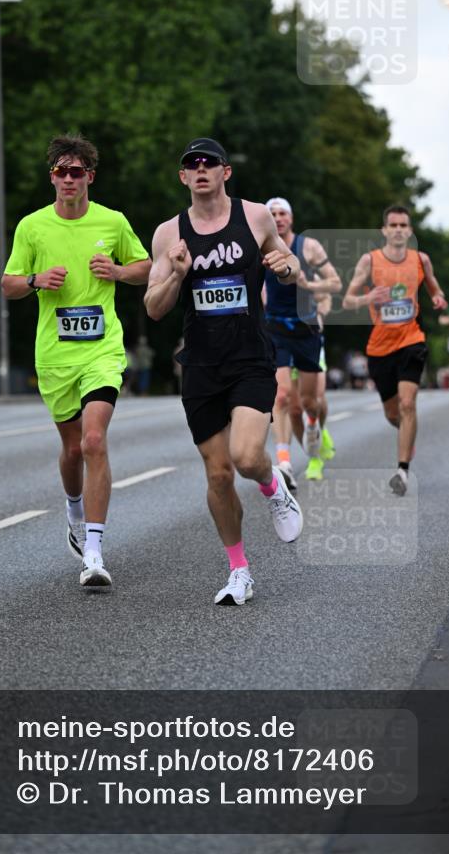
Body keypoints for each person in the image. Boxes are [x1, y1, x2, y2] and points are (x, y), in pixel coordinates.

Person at [145, 137, 303, 606]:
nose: (200, 170)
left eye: (208, 163)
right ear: (182, 177)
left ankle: (274, 487)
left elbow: (288, 263)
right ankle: (239, 570)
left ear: (225, 172)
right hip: (201, 364)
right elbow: (154, 308)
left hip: (251, 357)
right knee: (217, 475)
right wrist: (175, 273)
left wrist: (286, 266)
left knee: (248, 456)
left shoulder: (255, 216)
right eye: (191, 165)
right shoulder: (167, 233)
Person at [2, 133, 151, 590]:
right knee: (71, 450)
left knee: (92, 441)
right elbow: (8, 284)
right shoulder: (32, 227)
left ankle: (94, 550)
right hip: (55, 355)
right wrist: (35, 279)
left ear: (90, 176)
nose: (69, 179)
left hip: (102, 350)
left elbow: (146, 266)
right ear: (52, 177)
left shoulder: (113, 221)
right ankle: (72, 506)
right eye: (60, 171)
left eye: (77, 171)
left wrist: (119, 272)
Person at [342, 205, 447, 495]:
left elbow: (435, 289)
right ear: (384, 231)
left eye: (404, 225)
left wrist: (438, 298)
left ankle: (402, 470)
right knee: (393, 414)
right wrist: (369, 298)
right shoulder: (370, 261)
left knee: (407, 403)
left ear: (410, 231)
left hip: (412, 340)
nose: (399, 230)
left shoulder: (420, 260)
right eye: (394, 225)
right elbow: (348, 301)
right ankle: (406, 433)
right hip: (379, 347)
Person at [263, 198, 341, 491]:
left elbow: (334, 283)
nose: (278, 218)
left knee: (309, 402)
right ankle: (284, 463)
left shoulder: (308, 246)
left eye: (282, 213)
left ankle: (315, 428)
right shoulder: (260, 246)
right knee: (282, 397)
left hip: (307, 330)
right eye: (272, 214)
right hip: (275, 329)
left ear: (291, 219)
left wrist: (311, 287)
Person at [287, 292, 337, 482]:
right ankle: (313, 457)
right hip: (282, 341)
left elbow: (327, 294)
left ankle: (319, 429)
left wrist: (321, 310)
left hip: (309, 339)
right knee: (294, 410)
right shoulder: (267, 269)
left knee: (315, 398)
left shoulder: (307, 268)